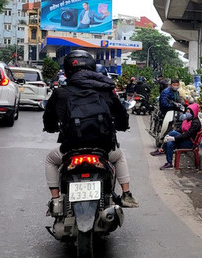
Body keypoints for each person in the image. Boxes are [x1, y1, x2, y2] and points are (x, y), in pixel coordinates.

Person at [42, 50, 138, 210]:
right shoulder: (105, 90)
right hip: (103, 149)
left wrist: (51, 128)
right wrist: (121, 126)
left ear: (66, 70)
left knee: (50, 160)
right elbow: (121, 114)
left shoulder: (60, 93)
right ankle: (126, 194)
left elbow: (49, 119)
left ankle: (56, 200)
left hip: (70, 150)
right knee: (119, 156)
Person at [155, 102, 201, 170]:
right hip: (184, 140)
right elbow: (180, 130)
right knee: (169, 143)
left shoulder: (196, 123)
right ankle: (169, 163)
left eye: (189, 112)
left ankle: (162, 149)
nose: (187, 113)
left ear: (193, 112)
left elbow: (187, 135)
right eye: (187, 111)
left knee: (173, 133)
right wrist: (170, 137)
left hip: (189, 143)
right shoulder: (187, 120)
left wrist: (174, 138)